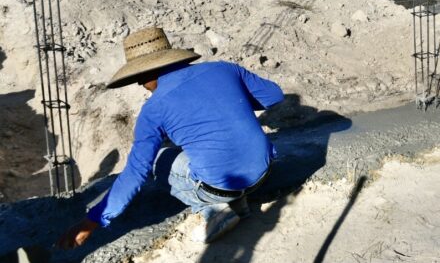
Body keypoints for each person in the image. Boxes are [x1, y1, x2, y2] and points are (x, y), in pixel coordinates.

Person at [57, 26, 284, 248]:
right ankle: (238, 203)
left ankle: (214, 210)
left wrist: (92, 220)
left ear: (148, 72)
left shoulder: (153, 109)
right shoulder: (224, 69)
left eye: (140, 78)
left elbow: (136, 172)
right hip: (264, 172)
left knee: (160, 160)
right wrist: (232, 104)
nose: (141, 85)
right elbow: (274, 95)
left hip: (221, 187)